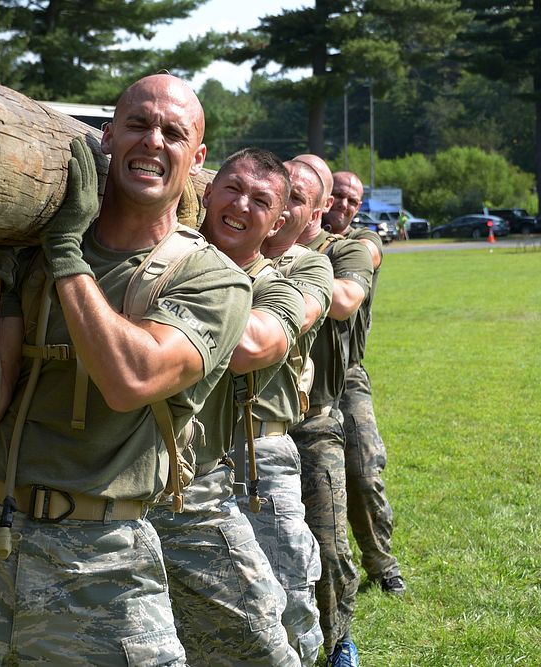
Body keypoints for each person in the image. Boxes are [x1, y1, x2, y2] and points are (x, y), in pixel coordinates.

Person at [0, 74, 253, 666]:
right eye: (137, 125)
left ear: (197, 158)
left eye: (173, 132)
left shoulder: (211, 278)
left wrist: (66, 254)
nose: (153, 142)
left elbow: (129, 378)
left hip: (100, 557)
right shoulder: (32, 252)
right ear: (107, 136)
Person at [149, 147, 306, 666]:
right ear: (208, 190)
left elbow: (246, 349)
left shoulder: (278, 286)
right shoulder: (157, 251)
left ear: (279, 221)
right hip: (115, 481)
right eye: (233, 189)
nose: (241, 206)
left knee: (264, 635)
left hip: (197, 490)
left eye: (260, 200)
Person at [228, 157, 335, 666]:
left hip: (261, 450)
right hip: (195, 453)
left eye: (295, 198)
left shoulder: (308, 267)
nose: (284, 207)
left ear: (312, 214)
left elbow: (270, 334)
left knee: (287, 586)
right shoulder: (211, 249)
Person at [288, 156, 374, 667]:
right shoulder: (261, 242)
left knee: (330, 540)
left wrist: (289, 280)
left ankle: (339, 639)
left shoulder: (348, 250)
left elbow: (344, 299)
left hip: (317, 416)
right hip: (253, 420)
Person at [325, 171, 406, 597]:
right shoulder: (290, 233)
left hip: (346, 374)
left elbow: (369, 254)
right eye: (336, 194)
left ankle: (381, 562)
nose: (343, 203)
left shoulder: (362, 239)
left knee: (362, 469)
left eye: (352, 200)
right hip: (291, 377)